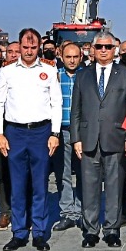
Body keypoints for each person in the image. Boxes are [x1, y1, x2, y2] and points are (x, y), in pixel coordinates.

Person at [0, 28, 61, 251]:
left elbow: (56, 104)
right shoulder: (8, 72)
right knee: (17, 185)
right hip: (15, 133)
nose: (29, 51)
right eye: (25, 47)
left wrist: (55, 134)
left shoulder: (49, 71)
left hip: (41, 132)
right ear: (19, 47)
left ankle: (39, 232)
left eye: (33, 47)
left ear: (39, 47)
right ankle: (19, 232)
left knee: (40, 185)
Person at [68, 32, 126, 248]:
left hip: (115, 137)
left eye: (108, 47)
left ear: (114, 50)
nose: (104, 51)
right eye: (100, 47)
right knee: (89, 187)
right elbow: (76, 110)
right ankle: (90, 230)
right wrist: (76, 138)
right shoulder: (83, 75)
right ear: (92, 50)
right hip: (88, 139)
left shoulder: (125, 75)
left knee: (116, 186)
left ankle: (112, 230)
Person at [50, 42, 83, 233]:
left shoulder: (87, 76)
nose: (72, 60)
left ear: (81, 57)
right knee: (63, 174)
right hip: (61, 130)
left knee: (83, 173)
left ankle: (81, 211)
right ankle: (67, 213)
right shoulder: (54, 77)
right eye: (68, 57)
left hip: (81, 131)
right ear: (61, 57)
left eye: (75, 57)